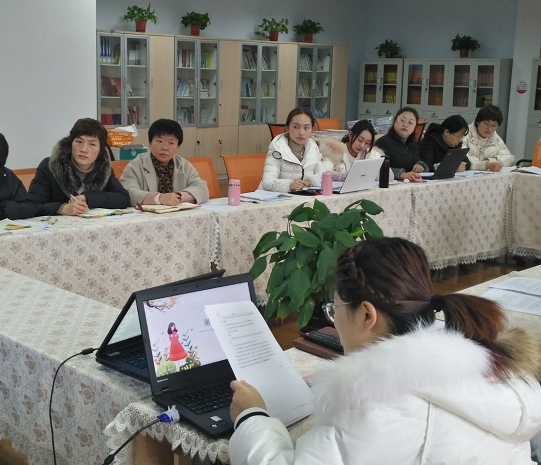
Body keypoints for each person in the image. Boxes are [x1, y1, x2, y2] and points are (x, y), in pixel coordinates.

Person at [229, 237, 541, 465]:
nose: (334, 319)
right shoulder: (487, 358)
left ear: (367, 315)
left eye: (334, 309)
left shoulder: (371, 403)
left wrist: (251, 416)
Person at [28, 118, 130, 216]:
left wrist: (87, 198)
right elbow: (32, 206)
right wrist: (61, 208)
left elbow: (123, 198)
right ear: (71, 143)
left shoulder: (103, 169)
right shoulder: (49, 166)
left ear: (100, 150)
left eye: (92, 144)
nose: (84, 149)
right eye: (79, 142)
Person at [120, 119, 208, 207]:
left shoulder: (184, 165)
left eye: (171, 143)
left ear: (178, 147)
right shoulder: (135, 166)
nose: (164, 148)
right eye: (159, 141)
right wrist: (159, 198)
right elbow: (128, 193)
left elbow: (202, 189)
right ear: (150, 143)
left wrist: (178, 197)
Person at [260, 108, 326, 192]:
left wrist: (310, 181)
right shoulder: (277, 150)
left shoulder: (312, 148)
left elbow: (325, 176)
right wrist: (289, 185)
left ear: (311, 130)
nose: (301, 133)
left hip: (301, 196)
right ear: (287, 128)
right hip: (273, 197)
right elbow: (267, 183)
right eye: (296, 127)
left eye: (306, 128)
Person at [318, 119, 393, 182]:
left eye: (367, 143)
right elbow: (323, 173)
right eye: (360, 140)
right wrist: (341, 177)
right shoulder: (334, 152)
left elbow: (389, 176)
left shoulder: (369, 153)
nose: (362, 145)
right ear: (351, 135)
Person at [374, 107, 428, 181]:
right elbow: (376, 169)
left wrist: (420, 165)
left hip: (410, 183)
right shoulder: (382, 143)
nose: (405, 125)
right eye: (402, 120)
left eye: (410, 123)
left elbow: (417, 160)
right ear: (394, 121)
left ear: (414, 127)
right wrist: (400, 174)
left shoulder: (413, 144)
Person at [462, 105, 515, 171]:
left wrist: (490, 161)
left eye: (494, 125)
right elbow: (463, 159)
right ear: (478, 121)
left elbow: (510, 158)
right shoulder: (464, 134)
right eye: (486, 124)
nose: (489, 128)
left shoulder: (495, 137)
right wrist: (485, 165)